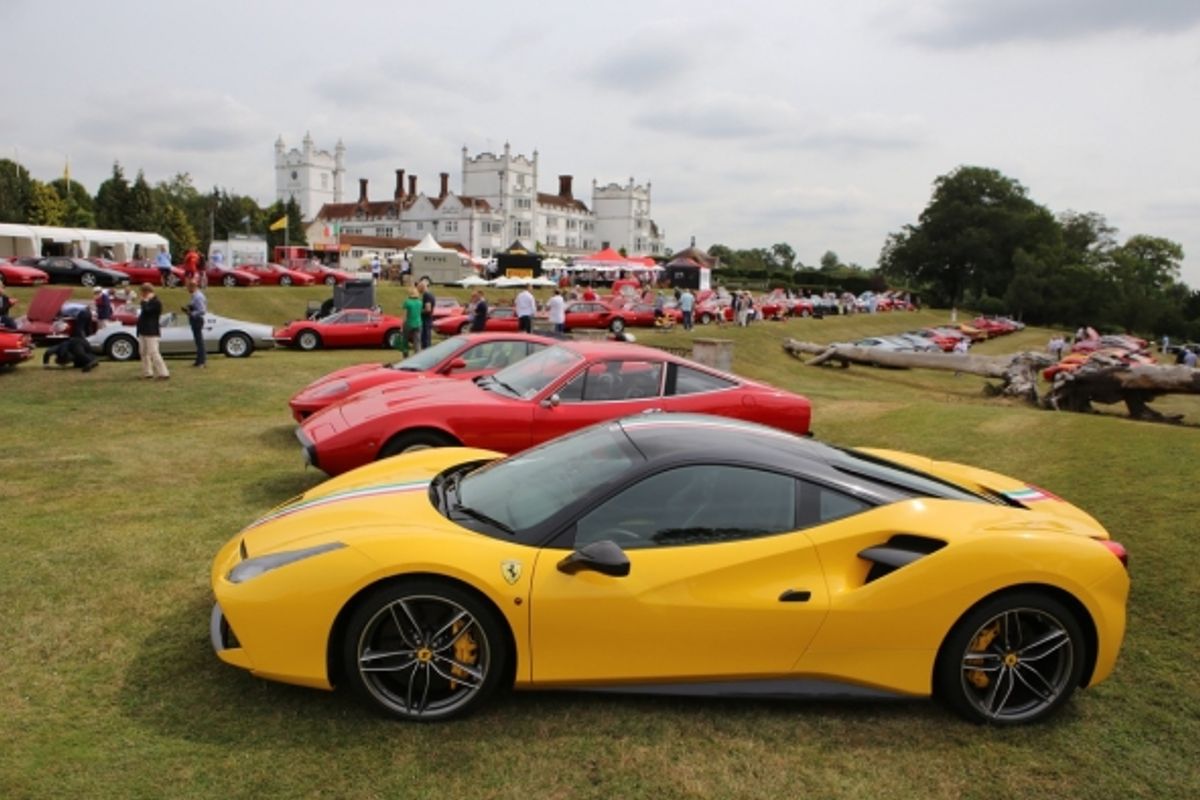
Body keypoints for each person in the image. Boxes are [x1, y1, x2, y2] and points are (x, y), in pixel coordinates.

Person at [136, 283, 170, 380]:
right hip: (143, 330)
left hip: (151, 331)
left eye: (142, 293)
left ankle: (164, 373)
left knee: (153, 352)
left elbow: (147, 311)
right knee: (143, 352)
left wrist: (144, 301)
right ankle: (147, 372)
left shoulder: (156, 302)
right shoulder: (148, 302)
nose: (141, 295)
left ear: (147, 292)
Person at [183, 280, 208, 367]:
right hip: (194, 319)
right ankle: (199, 360)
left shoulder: (198, 297)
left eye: (188, 288)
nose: (187, 289)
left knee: (199, 341)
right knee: (198, 341)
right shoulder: (194, 296)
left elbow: (202, 310)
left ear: (192, 287)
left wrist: (192, 313)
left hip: (197, 319)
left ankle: (202, 361)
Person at [400, 286, 422, 356]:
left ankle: (405, 356)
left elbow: (405, 315)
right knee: (417, 342)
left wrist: (401, 326)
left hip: (409, 323)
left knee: (405, 340)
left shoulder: (407, 302)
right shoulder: (420, 302)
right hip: (418, 323)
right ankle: (417, 356)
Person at [419, 279, 436, 349]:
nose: (418, 289)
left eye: (419, 287)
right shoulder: (431, 294)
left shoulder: (426, 295)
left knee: (425, 339)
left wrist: (418, 311)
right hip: (429, 319)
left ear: (423, 287)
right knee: (428, 338)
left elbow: (428, 309)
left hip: (425, 319)